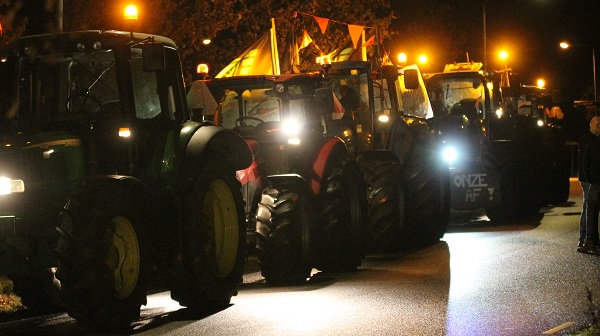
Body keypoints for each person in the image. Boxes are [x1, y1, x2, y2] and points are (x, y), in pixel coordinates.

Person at [578, 116, 600, 253]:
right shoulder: (589, 141)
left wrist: (591, 179)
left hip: (593, 182)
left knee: (590, 210)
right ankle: (587, 238)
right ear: (596, 125)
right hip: (591, 181)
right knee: (589, 210)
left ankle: (589, 240)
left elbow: (585, 164)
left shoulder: (589, 142)